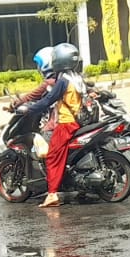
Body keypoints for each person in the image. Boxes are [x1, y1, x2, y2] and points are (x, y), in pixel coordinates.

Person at [18, 42, 85, 209]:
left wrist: (30, 109)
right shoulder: (75, 76)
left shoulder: (63, 81)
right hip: (77, 121)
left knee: (53, 157)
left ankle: (53, 194)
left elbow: (49, 100)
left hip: (66, 123)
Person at [7, 46, 57, 111]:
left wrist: (17, 103)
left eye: (39, 64)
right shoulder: (61, 78)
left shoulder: (50, 82)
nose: (38, 68)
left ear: (47, 63)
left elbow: (32, 96)